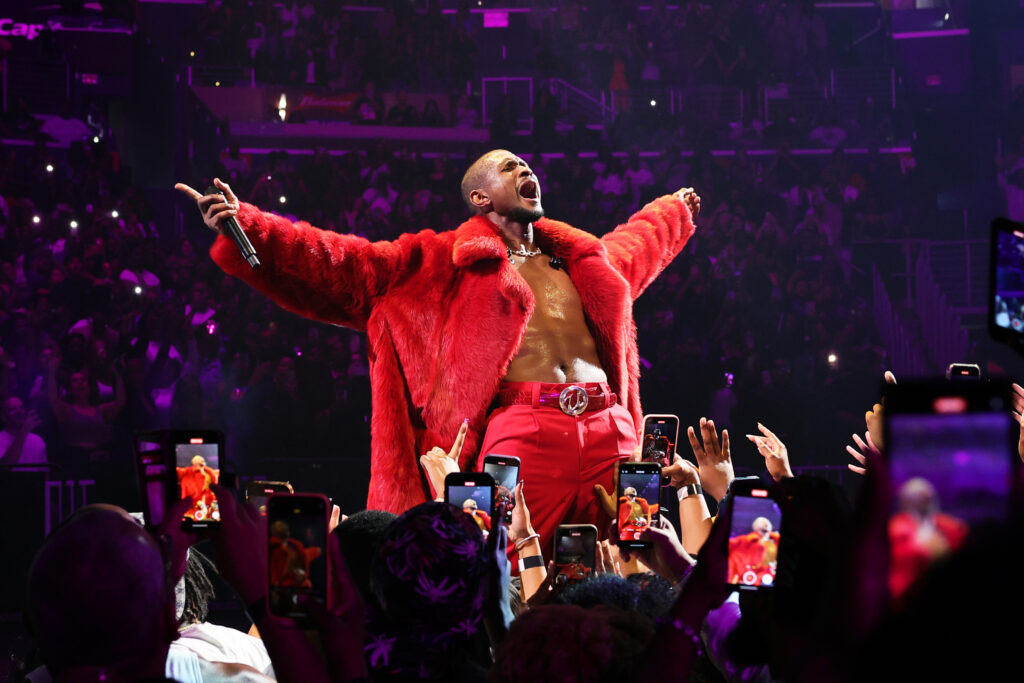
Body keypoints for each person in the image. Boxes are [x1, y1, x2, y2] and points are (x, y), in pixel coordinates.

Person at [175, 149, 700, 553]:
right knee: (506, 561)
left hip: (612, 429)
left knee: (632, 558)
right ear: (481, 198)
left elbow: (638, 245)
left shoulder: (587, 260)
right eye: (509, 166)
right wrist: (253, 227)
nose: (525, 168)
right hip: (523, 432)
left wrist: (673, 212)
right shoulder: (438, 262)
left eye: (526, 164)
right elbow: (340, 262)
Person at [0, 395, 47, 467]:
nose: (19, 411)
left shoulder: (38, 440)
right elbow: (5, 468)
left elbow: (44, 471)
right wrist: (24, 430)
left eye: (21, 408)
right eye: (13, 409)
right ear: (4, 417)